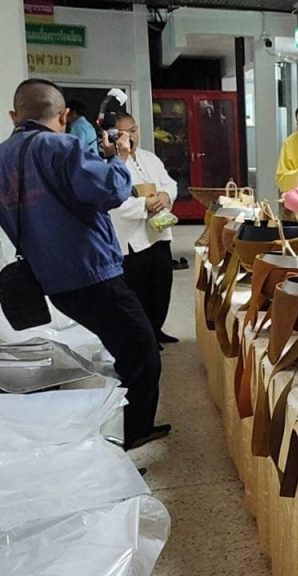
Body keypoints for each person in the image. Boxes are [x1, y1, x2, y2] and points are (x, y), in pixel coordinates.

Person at [0, 79, 168, 449]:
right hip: (91, 273)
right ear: (63, 116)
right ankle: (129, 436)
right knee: (142, 351)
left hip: (50, 279)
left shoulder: (3, 157)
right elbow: (112, 191)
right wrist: (118, 157)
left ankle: (120, 425)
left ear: (14, 116)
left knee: (122, 345)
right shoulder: (62, 147)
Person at [107, 112, 179, 347]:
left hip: (159, 231)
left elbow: (170, 183)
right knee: (138, 290)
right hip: (132, 239)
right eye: (123, 133)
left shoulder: (150, 158)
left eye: (133, 130)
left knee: (161, 285)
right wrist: (144, 205)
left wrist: (165, 195)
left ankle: (156, 329)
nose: (130, 136)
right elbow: (114, 203)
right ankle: (144, 337)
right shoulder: (111, 165)